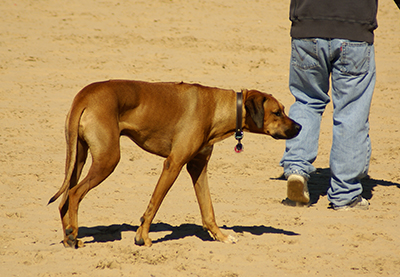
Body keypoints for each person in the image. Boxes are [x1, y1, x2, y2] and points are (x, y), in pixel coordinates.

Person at [280, 0, 400, 210]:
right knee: (351, 111)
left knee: (307, 101)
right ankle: (345, 194)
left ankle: (297, 169)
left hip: (307, 27)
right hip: (354, 30)